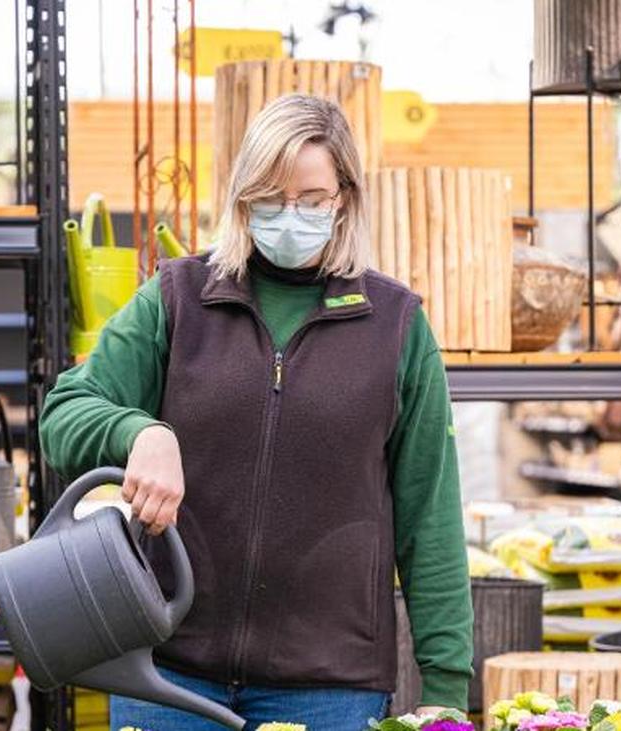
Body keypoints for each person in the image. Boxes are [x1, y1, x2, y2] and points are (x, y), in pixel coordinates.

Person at [40, 93, 472, 730]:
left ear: (345, 198)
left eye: (311, 199)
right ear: (242, 197)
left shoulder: (395, 327)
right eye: (270, 197)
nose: (289, 215)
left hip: (330, 687)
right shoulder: (179, 298)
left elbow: (429, 516)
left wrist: (446, 685)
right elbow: (64, 413)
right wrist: (139, 432)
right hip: (166, 673)